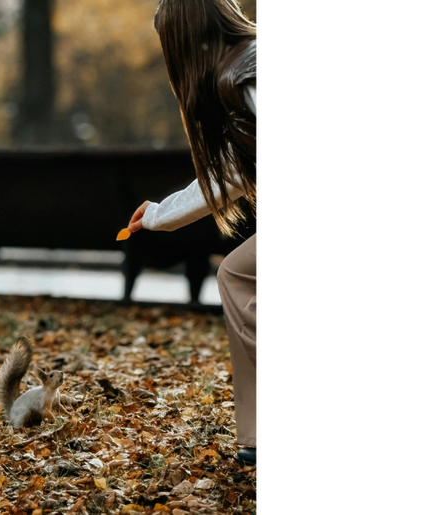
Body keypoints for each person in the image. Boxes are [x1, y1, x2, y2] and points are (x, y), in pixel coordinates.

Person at [127, 0, 257, 466]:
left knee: (240, 276)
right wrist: (159, 215)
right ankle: (256, 434)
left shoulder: (248, 70)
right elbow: (224, 176)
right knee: (238, 273)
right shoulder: (236, 73)